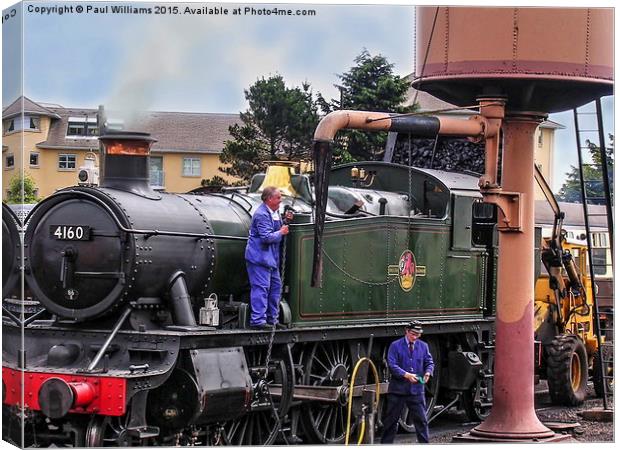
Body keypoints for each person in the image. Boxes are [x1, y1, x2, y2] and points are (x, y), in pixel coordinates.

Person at [245, 186, 293, 329]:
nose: (280, 200)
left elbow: (276, 229)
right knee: (261, 288)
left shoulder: (274, 212)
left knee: (275, 289)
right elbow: (266, 237)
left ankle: (272, 320)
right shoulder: (261, 214)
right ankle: (258, 320)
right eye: (278, 197)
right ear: (269, 199)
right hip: (259, 258)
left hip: (271, 259)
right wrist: (282, 232)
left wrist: (285, 221)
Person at [381, 320, 434, 444]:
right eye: (413, 334)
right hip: (398, 390)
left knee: (422, 421)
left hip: (416, 391)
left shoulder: (423, 346)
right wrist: (406, 375)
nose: (415, 337)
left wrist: (428, 373)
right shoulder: (395, 345)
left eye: (418, 334)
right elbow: (392, 365)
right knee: (391, 422)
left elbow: (429, 362)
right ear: (406, 331)